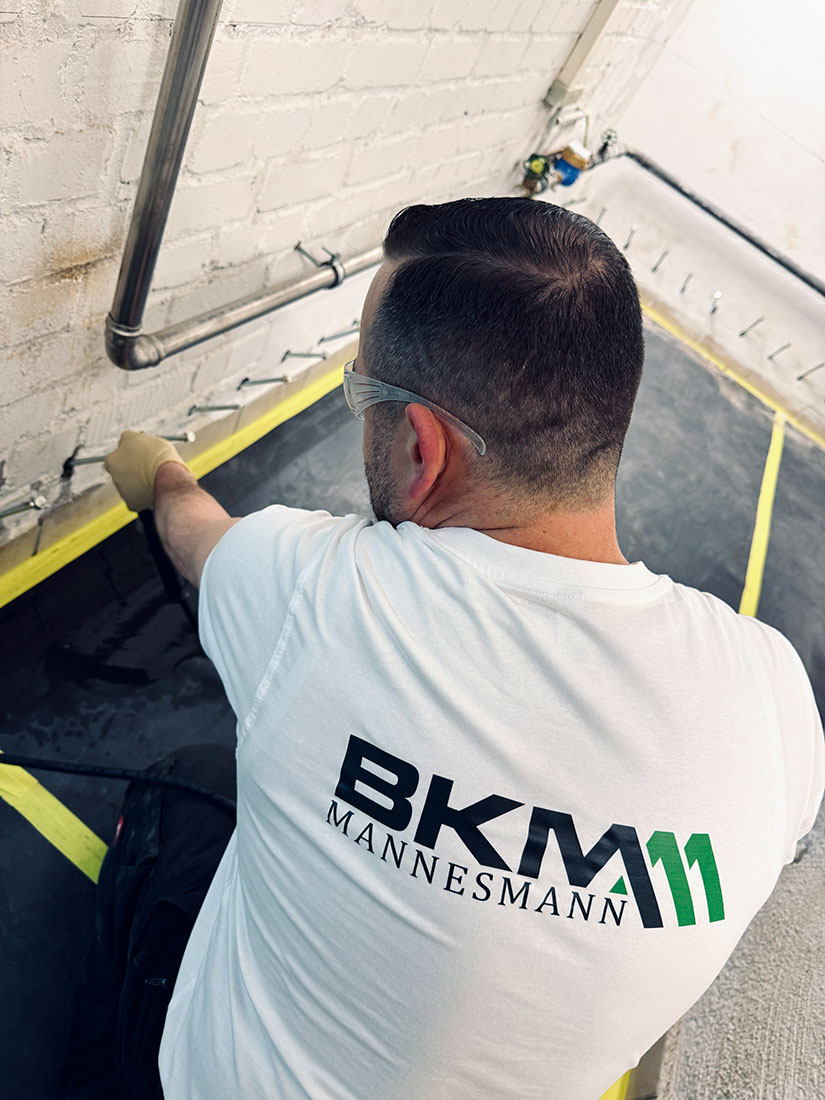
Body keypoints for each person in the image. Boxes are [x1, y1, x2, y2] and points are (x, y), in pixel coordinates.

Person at [98, 198, 823, 1100]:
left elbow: (194, 532)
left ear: (421, 447)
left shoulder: (318, 593)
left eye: (362, 392)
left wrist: (161, 472)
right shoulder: (774, 696)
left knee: (189, 780)